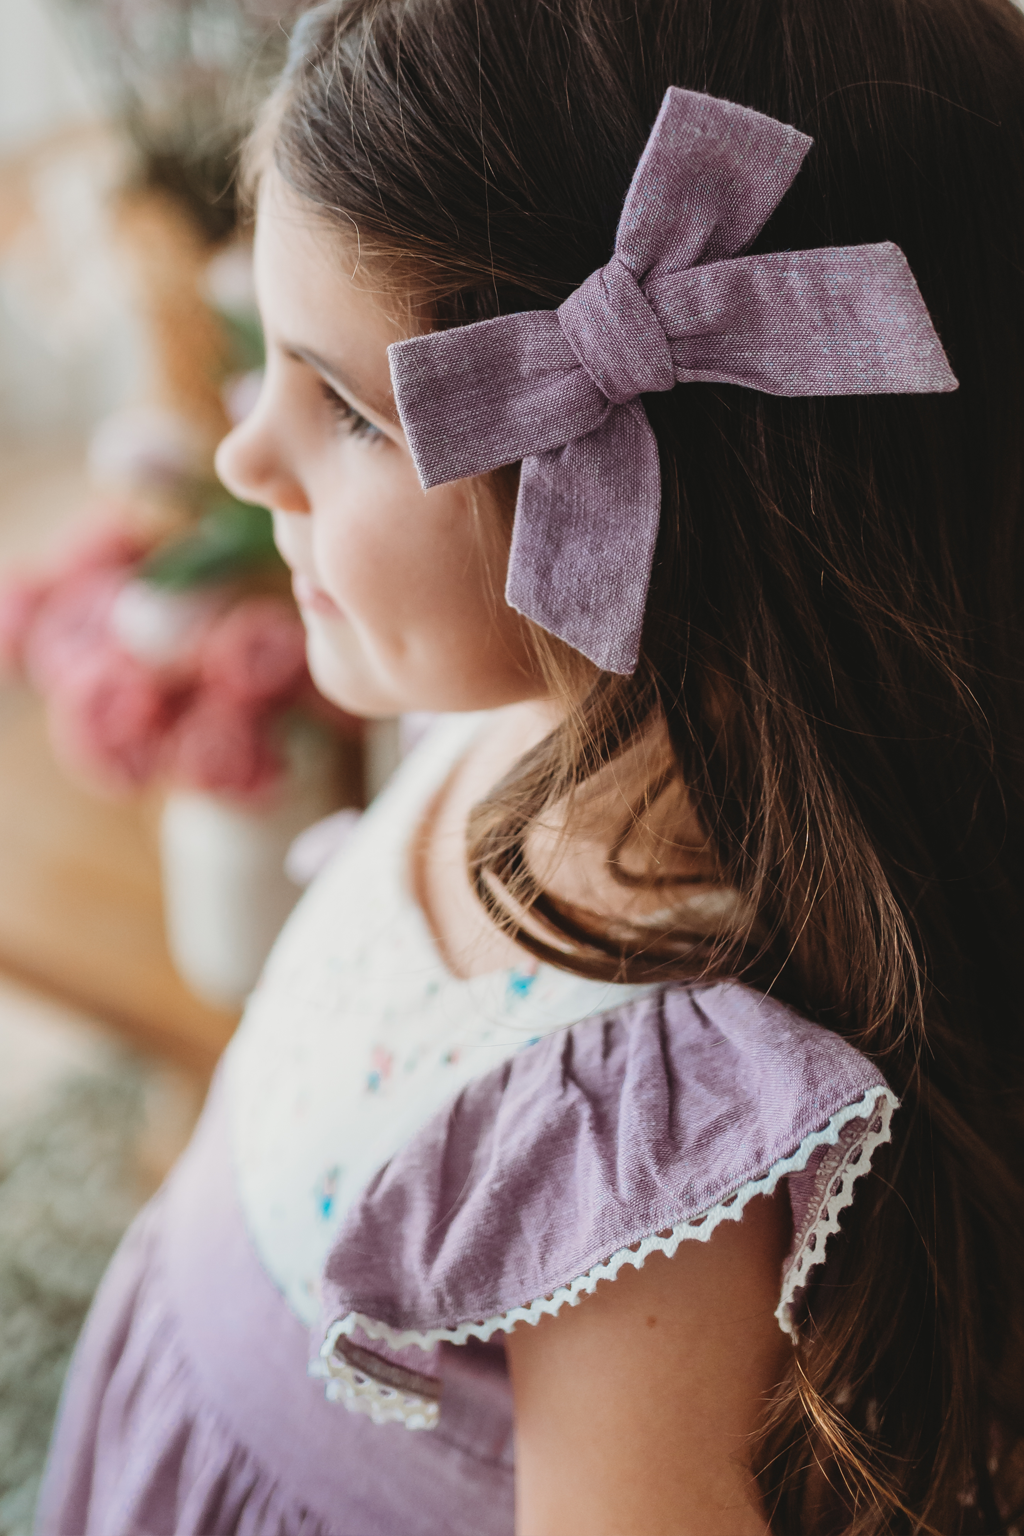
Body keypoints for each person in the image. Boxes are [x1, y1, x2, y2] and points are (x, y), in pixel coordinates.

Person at [35, 0, 1024, 1531]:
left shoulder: (651, 1109)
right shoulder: (535, 697)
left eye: (346, 406)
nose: (243, 461)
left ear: (667, 498)